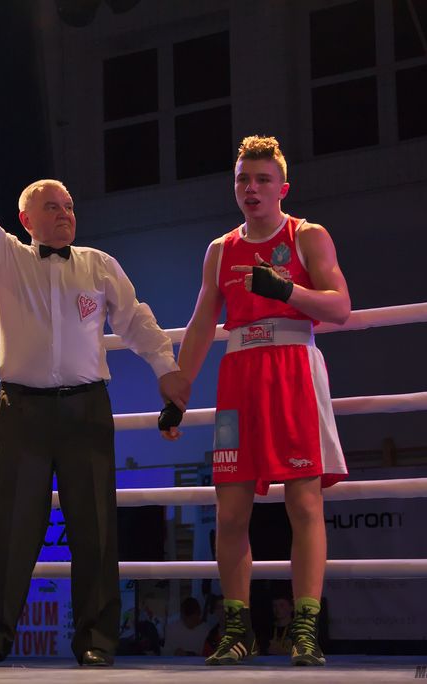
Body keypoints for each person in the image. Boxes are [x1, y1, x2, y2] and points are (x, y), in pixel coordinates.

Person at [0, 135, 189, 668]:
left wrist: (167, 368)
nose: (64, 214)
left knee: (95, 527)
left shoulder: (98, 264)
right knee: (9, 527)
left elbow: (135, 319)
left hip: (86, 408)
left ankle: (97, 640)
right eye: (51, 206)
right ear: (26, 219)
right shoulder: (7, 256)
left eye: (69, 206)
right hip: (23, 410)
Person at [164, 135, 350, 667]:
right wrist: (179, 390)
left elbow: (340, 307)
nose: (251, 188)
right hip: (238, 379)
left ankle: (306, 629)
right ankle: (238, 629)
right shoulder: (220, 250)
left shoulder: (307, 235)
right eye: (243, 179)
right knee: (229, 512)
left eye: (262, 179)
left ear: (282, 188)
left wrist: (286, 291)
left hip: (293, 372)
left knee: (304, 504)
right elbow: (203, 323)